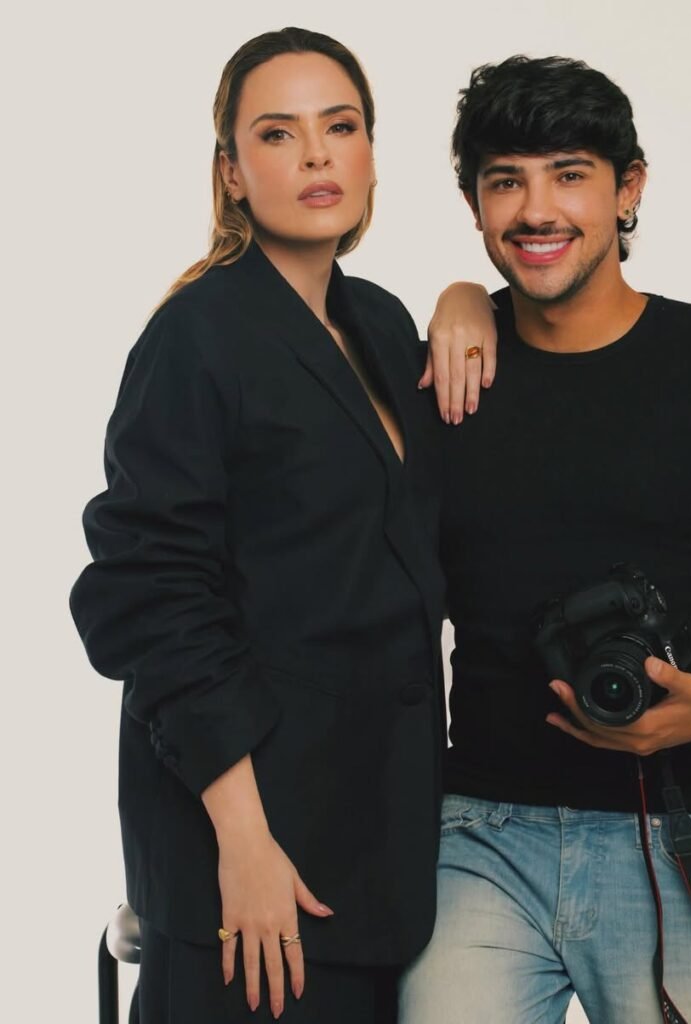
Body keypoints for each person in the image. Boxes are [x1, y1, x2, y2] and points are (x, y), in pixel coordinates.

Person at [399, 55, 691, 1024]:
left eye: (568, 173)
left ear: (628, 188)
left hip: (687, 815)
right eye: (504, 180)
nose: (536, 209)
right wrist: (456, 296)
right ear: (473, 203)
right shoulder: (443, 377)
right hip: (482, 830)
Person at [70, 28, 495, 1024]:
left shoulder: (379, 323)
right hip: (253, 854)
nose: (314, 155)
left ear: (371, 153)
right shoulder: (198, 333)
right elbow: (152, 595)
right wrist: (244, 842)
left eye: (339, 127)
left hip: (378, 846)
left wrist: (469, 296)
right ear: (232, 172)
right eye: (277, 133)